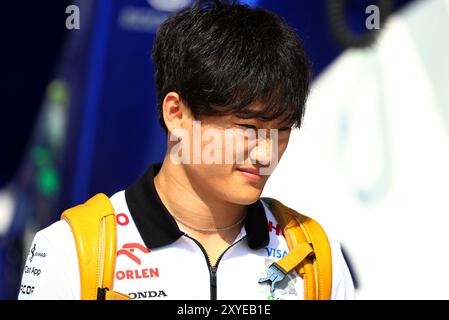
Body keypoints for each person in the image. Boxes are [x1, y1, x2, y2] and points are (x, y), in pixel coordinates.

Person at [18, 0, 355, 300]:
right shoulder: (74, 250)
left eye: (281, 131)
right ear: (176, 114)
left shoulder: (314, 257)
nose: (266, 155)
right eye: (248, 128)